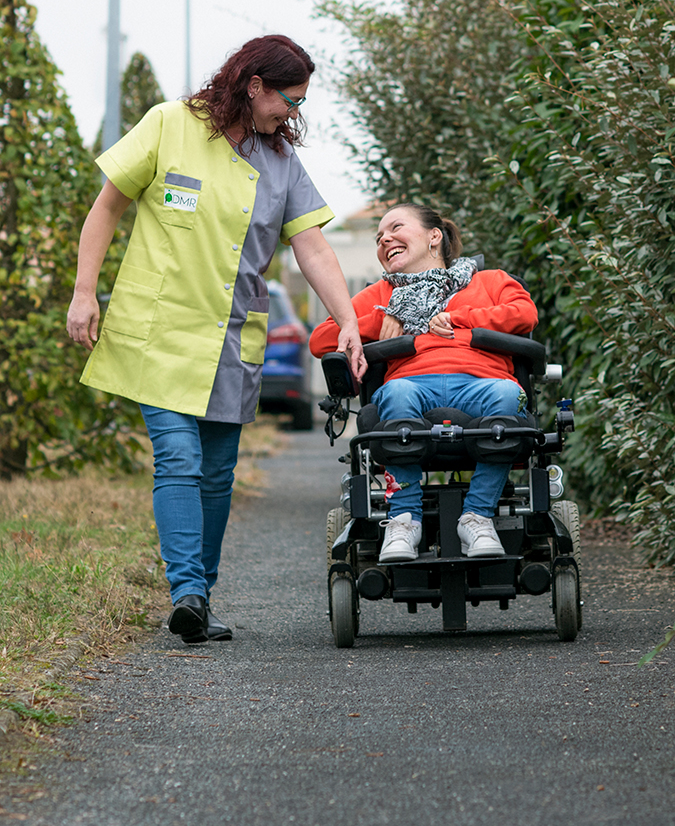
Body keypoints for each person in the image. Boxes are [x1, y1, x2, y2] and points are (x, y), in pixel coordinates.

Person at [67, 35, 366, 644]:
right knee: (178, 459)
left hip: (232, 334)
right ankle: (188, 593)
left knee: (219, 472)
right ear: (254, 85)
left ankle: (200, 589)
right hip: (159, 329)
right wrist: (83, 291)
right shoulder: (169, 125)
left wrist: (350, 320)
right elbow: (108, 207)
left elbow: (309, 244)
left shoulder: (280, 161)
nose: (294, 113)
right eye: (289, 99)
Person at [309, 203, 538, 563]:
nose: (385, 239)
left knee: (508, 394)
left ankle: (477, 517)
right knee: (396, 392)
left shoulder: (490, 281)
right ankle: (404, 520)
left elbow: (524, 314)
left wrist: (456, 317)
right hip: (411, 386)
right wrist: (386, 317)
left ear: (434, 236)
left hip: (483, 382)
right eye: (379, 237)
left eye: (396, 227)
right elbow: (321, 339)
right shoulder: (380, 294)